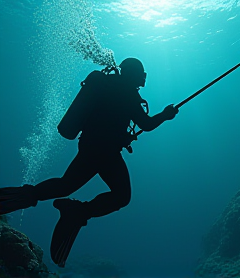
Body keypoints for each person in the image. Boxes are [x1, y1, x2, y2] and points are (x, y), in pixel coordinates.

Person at [0, 58, 179, 267]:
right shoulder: (127, 93)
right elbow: (146, 125)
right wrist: (166, 115)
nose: (143, 78)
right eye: (141, 73)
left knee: (66, 184)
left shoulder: (107, 87)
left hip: (90, 146)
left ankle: (27, 197)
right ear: (133, 74)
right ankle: (75, 212)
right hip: (106, 152)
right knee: (121, 196)